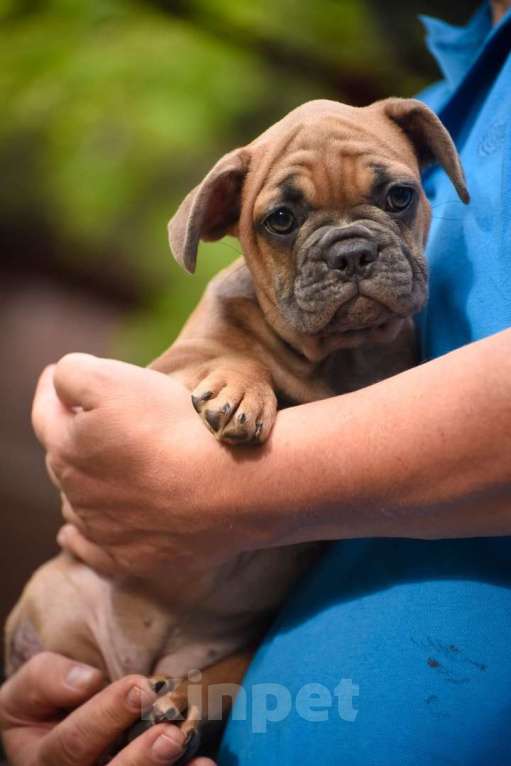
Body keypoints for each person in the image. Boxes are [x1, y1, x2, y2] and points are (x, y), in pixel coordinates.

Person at [2, 1, 511, 763]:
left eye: (394, 200)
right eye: (284, 221)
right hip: (114, 639)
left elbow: (183, 480)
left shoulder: (416, 129)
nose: (347, 253)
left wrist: (217, 488)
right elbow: (157, 407)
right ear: (223, 222)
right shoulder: (450, 100)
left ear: (431, 175)